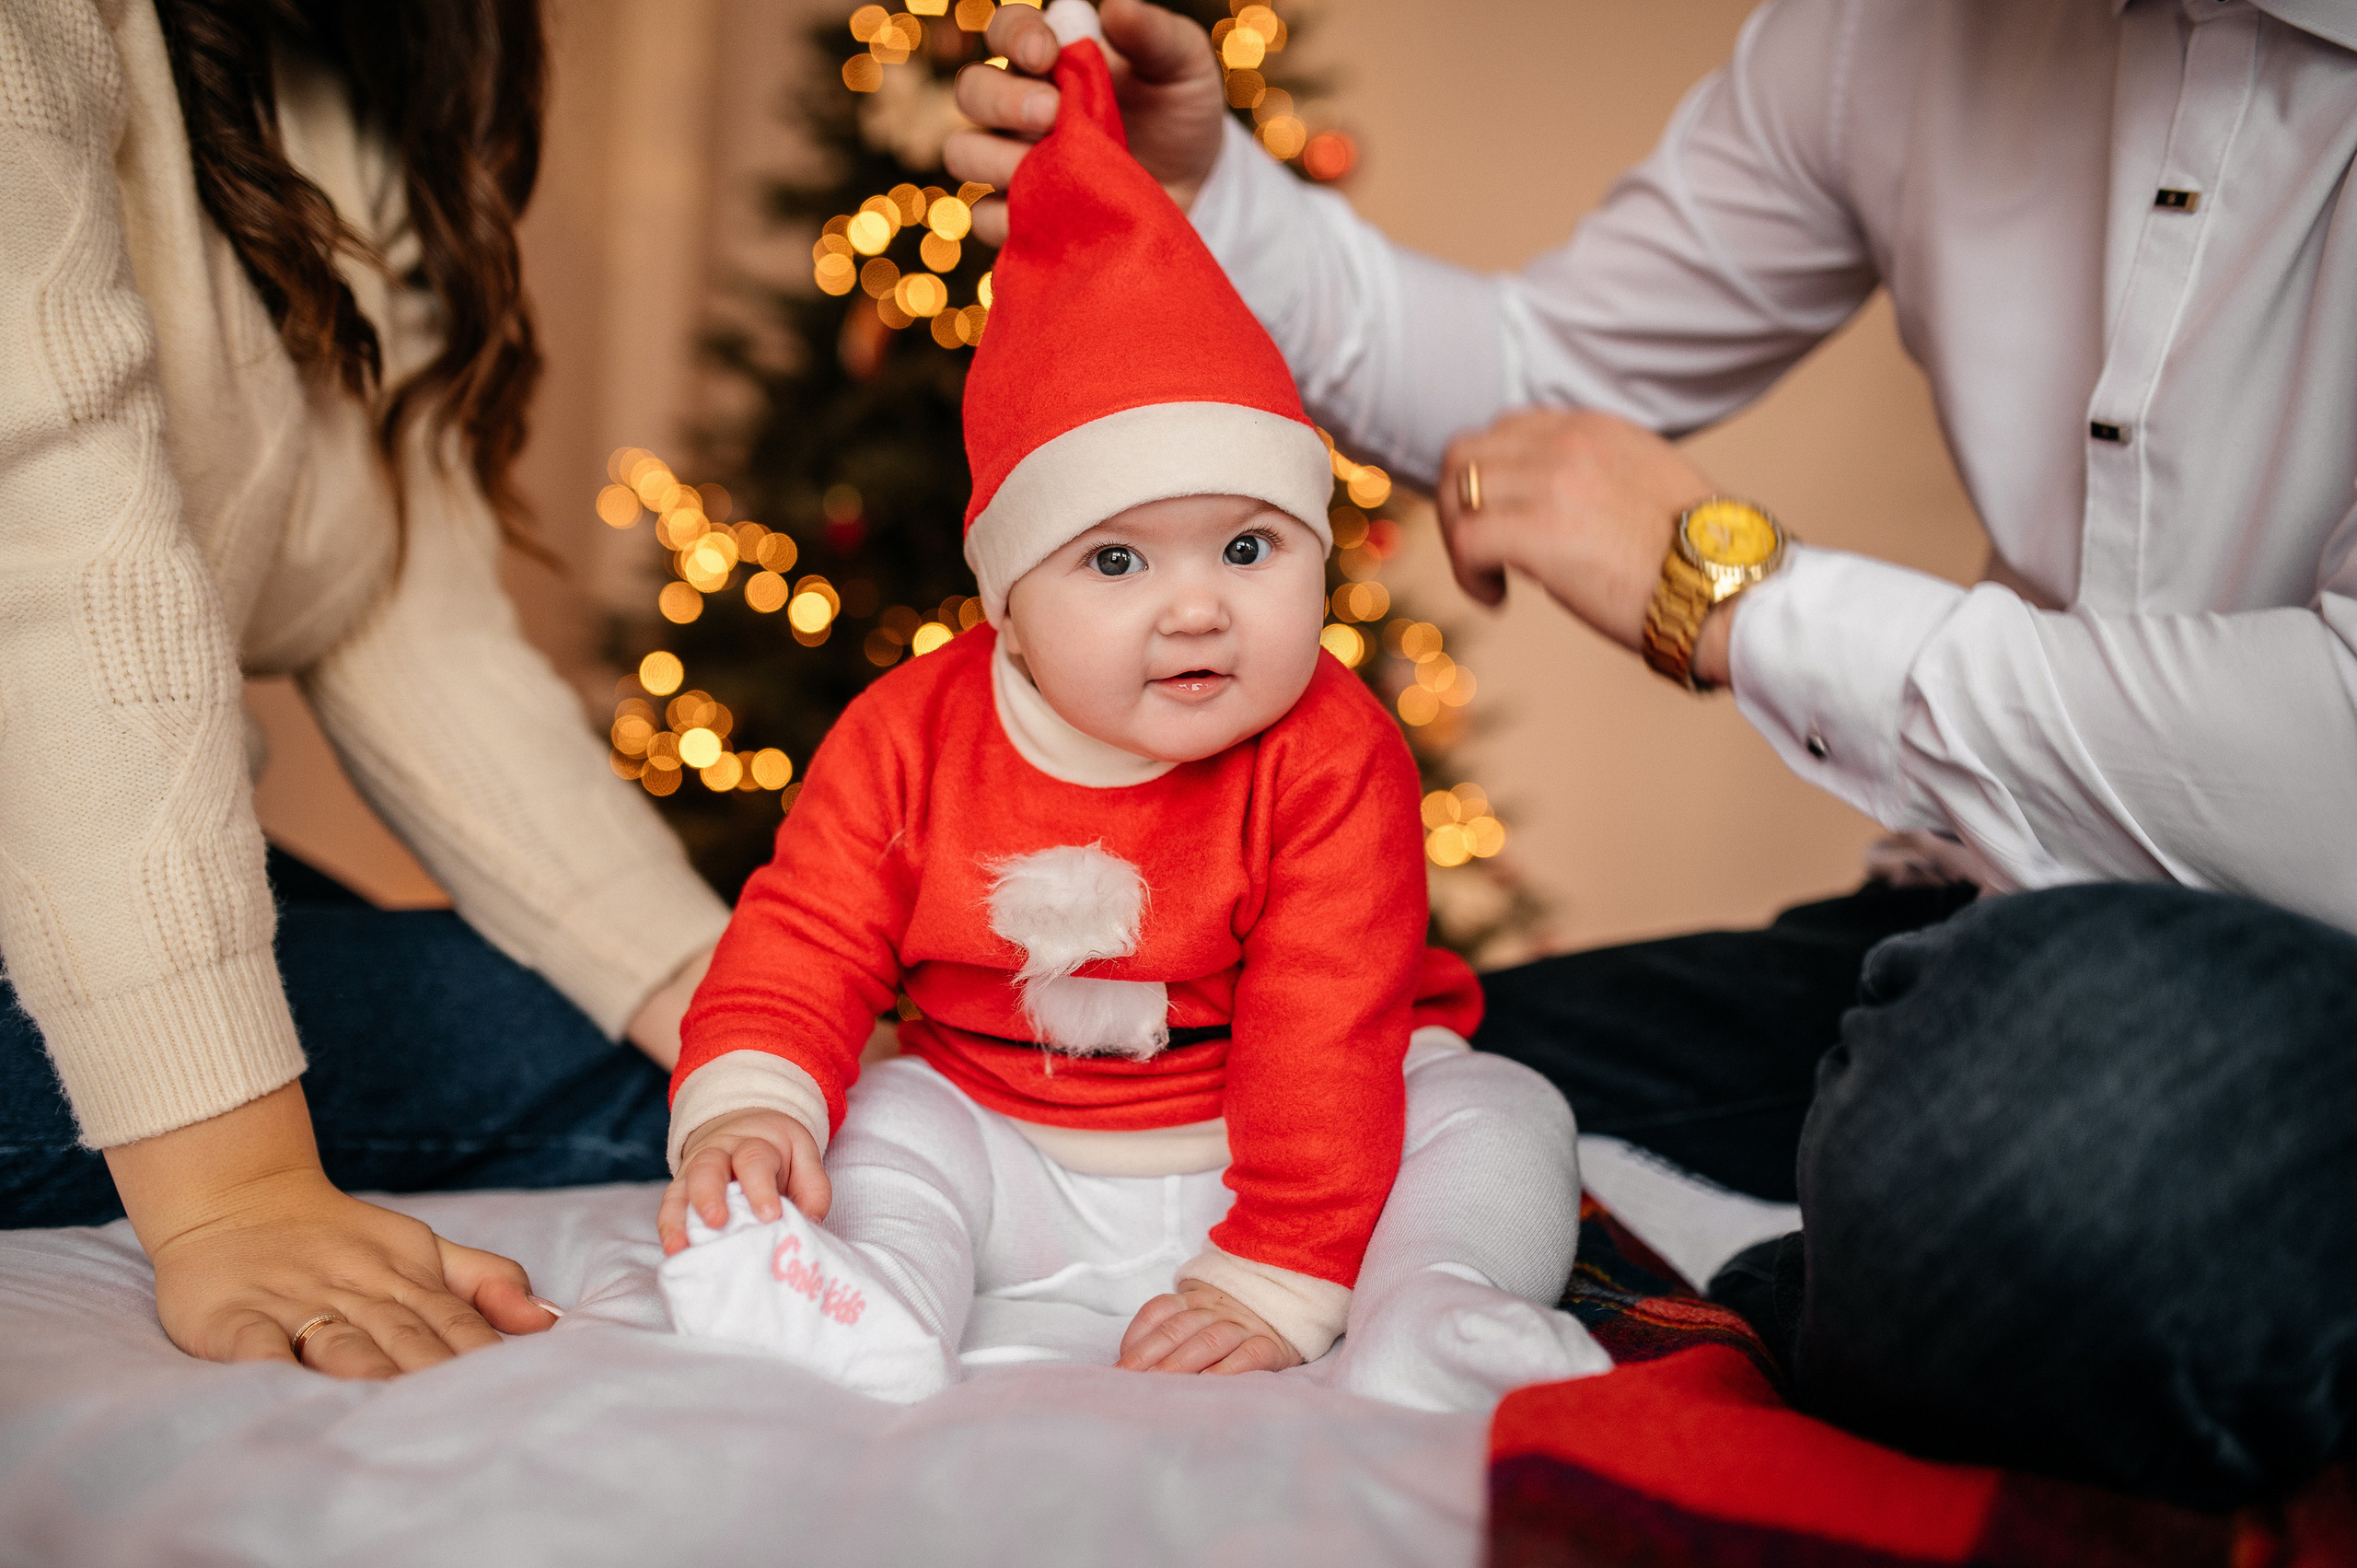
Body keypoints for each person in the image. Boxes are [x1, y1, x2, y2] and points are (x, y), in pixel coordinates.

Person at [948, 0, 2357, 1509]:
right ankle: (1821, 1259)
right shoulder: (1886, 34)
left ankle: (1746, 1288)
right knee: (1401, 1101)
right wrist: (1204, 189)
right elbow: (1545, 376)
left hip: (2256, 974)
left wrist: (1735, 595)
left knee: (2029, 1166)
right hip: (1974, 929)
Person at [653, 4, 1601, 1411]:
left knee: (1503, 1115)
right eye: (1113, 560)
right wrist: (748, 1098)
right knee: (895, 1124)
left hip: (1301, 1150)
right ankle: (873, 1298)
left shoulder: (1329, 751)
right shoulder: (914, 736)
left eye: (1247, 546)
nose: (1199, 607)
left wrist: (1280, 1261)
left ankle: (1436, 1302)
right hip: (1016, 1140)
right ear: (1007, 605)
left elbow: (1328, 1024)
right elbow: (806, 933)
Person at [0, 1, 727, 1378]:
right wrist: (237, 1193)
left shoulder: (329, 64)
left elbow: (405, 606)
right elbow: (44, 561)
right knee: (582, 1072)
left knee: (707, 1061)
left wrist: (734, 997)